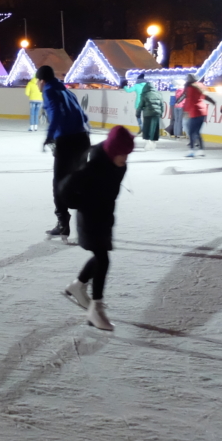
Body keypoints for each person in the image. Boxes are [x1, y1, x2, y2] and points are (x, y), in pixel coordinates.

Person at [59, 126, 133, 331]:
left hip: (105, 216)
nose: (124, 159)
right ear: (111, 151)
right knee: (103, 258)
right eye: (121, 154)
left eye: (127, 154)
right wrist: (78, 203)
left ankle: (78, 285)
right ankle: (95, 308)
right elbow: (64, 188)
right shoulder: (92, 167)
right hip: (89, 217)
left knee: (101, 254)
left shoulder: (118, 165)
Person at [37, 64, 91, 239]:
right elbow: (84, 116)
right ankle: (87, 221)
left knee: (59, 182)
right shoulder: (67, 91)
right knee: (80, 181)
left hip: (67, 141)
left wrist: (50, 137)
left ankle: (62, 222)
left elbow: (56, 115)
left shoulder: (49, 91)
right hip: (82, 139)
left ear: (42, 80)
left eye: (37, 81)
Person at [175, 74, 217, 157]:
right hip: (202, 112)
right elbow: (205, 96)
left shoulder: (189, 88)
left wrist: (178, 102)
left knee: (191, 132)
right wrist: (213, 101)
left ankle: (192, 150)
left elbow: (186, 98)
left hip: (194, 112)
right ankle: (201, 150)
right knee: (197, 132)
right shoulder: (199, 86)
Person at [124, 72, 164, 150]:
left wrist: (125, 86)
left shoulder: (140, 89)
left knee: (145, 125)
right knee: (154, 128)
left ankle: (142, 129)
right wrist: (161, 113)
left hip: (143, 106)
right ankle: (153, 142)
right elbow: (162, 105)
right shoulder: (158, 94)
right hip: (156, 112)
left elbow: (128, 90)